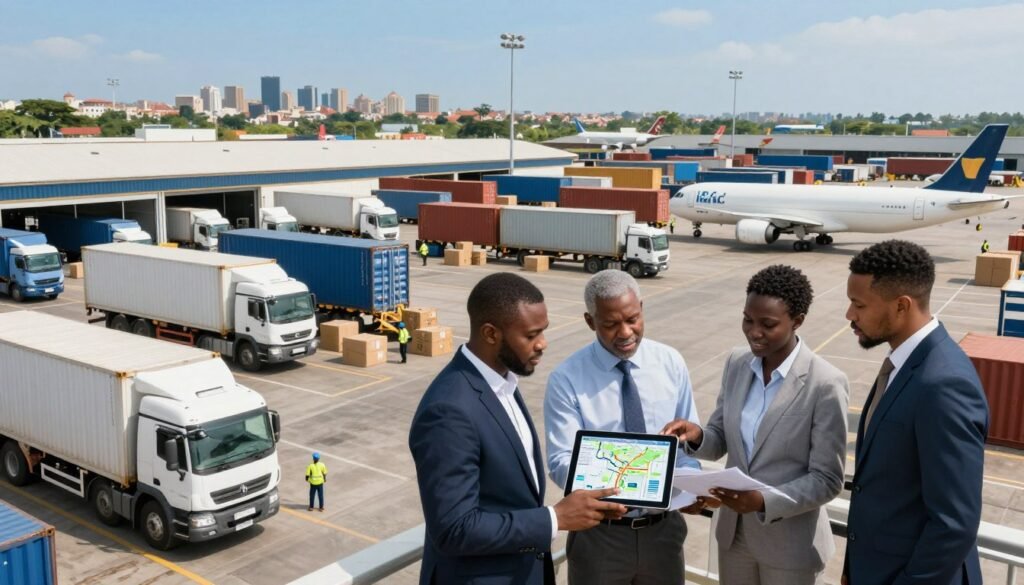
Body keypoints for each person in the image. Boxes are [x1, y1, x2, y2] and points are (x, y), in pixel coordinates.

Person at [410, 273, 627, 585]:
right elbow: (453, 529)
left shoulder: (502, 383)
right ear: (490, 333)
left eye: (543, 331)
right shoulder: (448, 410)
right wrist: (554, 518)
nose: (543, 344)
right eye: (531, 335)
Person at [661, 265, 849, 585]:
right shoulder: (737, 362)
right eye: (748, 319)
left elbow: (827, 480)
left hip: (789, 545)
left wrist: (763, 501)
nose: (754, 332)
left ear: (798, 320)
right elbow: (720, 436)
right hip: (734, 536)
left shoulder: (825, 383)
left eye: (768, 324)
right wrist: (696, 436)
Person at [842, 240, 988, 585]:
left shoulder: (943, 383)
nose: (850, 315)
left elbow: (954, 523)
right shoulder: (902, 364)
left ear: (901, 306)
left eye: (858, 304)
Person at [545, 269, 702, 585]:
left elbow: (683, 447)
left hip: (663, 533)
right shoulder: (567, 379)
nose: (625, 332)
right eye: (610, 324)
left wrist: (695, 483)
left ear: (642, 307)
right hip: (599, 536)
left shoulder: (671, 363)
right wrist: (616, 484)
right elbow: (561, 461)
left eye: (632, 319)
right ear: (590, 321)